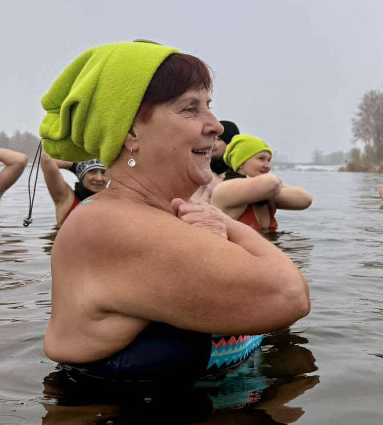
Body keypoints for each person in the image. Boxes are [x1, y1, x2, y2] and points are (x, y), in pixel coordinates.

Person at [40, 40, 309, 384]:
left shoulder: (163, 216)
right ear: (130, 132)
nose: (216, 125)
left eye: (208, 106)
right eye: (190, 109)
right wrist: (226, 224)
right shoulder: (109, 223)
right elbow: (289, 296)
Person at [211, 134, 313, 231]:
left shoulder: (269, 191)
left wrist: (271, 191)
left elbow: (305, 200)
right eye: (261, 159)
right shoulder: (225, 189)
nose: (267, 166)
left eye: (268, 160)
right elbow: (270, 182)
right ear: (241, 162)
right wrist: (274, 189)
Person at [40, 152, 108, 226]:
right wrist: (74, 166)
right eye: (92, 172)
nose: (99, 178)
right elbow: (46, 158)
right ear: (82, 175)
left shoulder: (115, 200)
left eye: (103, 172)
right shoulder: (66, 198)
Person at [191, 119, 239, 204]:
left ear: (231, 145)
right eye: (211, 138)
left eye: (219, 139)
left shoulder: (239, 178)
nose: (213, 143)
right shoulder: (193, 169)